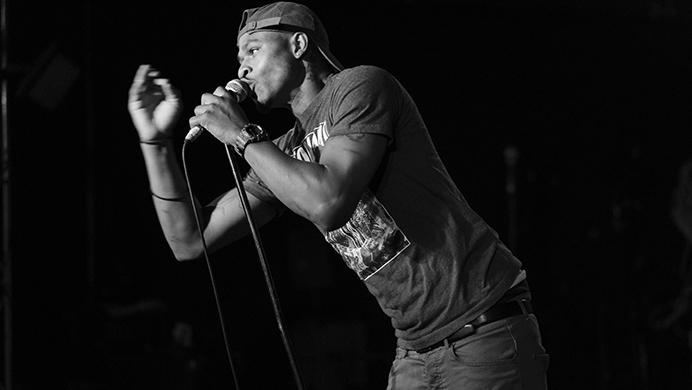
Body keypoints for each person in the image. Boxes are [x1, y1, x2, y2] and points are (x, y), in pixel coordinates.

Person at [127, 2, 549, 388]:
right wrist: (155, 142)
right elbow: (189, 240)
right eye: (239, 58)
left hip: (482, 333)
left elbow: (329, 203)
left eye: (253, 50)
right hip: (414, 353)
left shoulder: (360, 86)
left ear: (298, 44)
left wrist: (240, 135)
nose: (242, 69)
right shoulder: (282, 151)